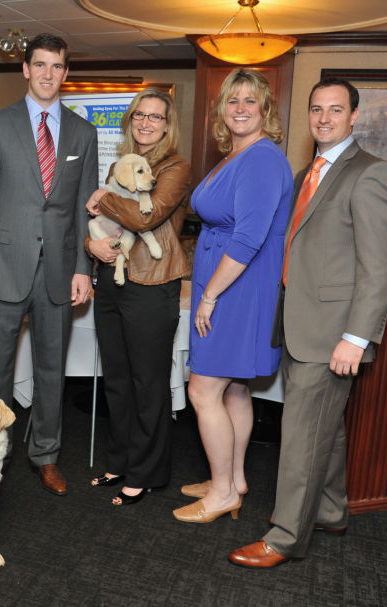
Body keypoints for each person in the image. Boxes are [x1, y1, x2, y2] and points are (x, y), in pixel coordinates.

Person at [229, 79, 387, 567]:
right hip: (300, 325)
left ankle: (284, 538)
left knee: (302, 434)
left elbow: (379, 266)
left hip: (333, 333)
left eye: (335, 110)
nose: (324, 118)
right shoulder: (309, 172)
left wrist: (355, 337)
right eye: (316, 110)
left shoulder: (370, 174)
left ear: (354, 117)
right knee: (326, 426)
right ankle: (329, 510)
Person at [0, 33, 98, 495]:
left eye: (56, 66)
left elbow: (86, 207)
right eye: (39, 65)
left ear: (65, 72)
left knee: (50, 371)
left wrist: (85, 266)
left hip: (60, 271)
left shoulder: (83, 132)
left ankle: (46, 453)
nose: (47, 74)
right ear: (25, 69)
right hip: (2, 267)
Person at [174, 69, 293, 523]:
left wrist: (208, 297)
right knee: (235, 390)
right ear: (222, 110)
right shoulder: (236, 155)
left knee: (203, 390)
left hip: (237, 290)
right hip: (230, 284)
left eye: (250, 100)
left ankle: (222, 493)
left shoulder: (262, 158)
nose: (240, 107)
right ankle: (233, 479)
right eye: (232, 100)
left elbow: (247, 239)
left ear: (265, 109)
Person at [84, 89, 191, 505]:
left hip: (153, 283)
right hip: (112, 280)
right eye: (139, 116)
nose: (146, 123)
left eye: (156, 117)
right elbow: (97, 222)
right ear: (131, 121)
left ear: (167, 125)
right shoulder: (119, 164)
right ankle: (120, 460)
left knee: (148, 383)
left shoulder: (175, 167)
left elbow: (146, 214)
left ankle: (146, 472)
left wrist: (101, 196)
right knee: (116, 379)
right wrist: (88, 244)